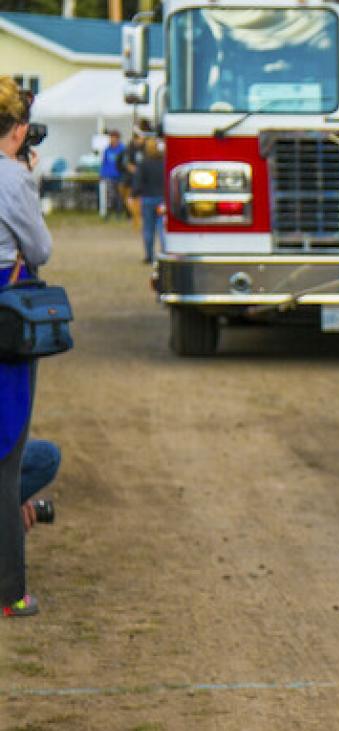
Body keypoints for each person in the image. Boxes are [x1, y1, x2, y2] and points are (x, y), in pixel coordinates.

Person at [1, 76, 54, 618]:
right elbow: (40, 247)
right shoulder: (10, 177)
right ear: (17, 131)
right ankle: (9, 592)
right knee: (7, 456)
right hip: (5, 318)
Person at [134, 138, 165, 264]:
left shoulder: (143, 164)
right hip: (162, 199)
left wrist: (134, 193)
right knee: (162, 227)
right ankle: (164, 253)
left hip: (147, 198)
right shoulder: (164, 163)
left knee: (148, 228)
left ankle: (149, 255)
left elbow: (138, 182)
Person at [99, 129, 124, 219]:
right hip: (109, 176)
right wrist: (101, 174)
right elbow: (104, 162)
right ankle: (108, 213)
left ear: (118, 139)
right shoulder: (107, 149)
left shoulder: (122, 149)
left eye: (113, 138)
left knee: (119, 195)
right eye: (111, 138)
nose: (112, 140)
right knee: (110, 195)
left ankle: (119, 213)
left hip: (120, 176)